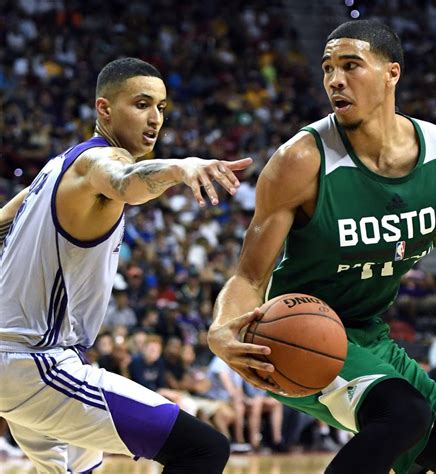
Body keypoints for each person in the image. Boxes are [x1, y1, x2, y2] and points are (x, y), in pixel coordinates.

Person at [208, 20, 436, 474]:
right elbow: (249, 275)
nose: (335, 79)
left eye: (351, 65)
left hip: (371, 335)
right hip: (296, 334)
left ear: (391, 73)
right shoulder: (301, 160)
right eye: (328, 68)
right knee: (404, 414)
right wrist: (221, 329)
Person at [0, 57, 253, 473]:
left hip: (23, 364)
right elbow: (123, 181)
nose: (155, 119)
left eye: (161, 107)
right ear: (104, 109)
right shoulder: (98, 162)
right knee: (203, 449)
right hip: (38, 363)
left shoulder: (52, 170)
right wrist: (181, 167)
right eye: (141, 104)